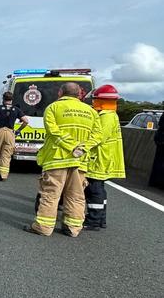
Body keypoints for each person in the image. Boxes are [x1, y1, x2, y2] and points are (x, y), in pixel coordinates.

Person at [24, 82, 102, 238]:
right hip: (80, 160)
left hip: (57, 158)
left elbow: (53, 131)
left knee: (51, 194)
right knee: (76, 196)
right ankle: (72, 228)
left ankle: (44, 227)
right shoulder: (91, 112)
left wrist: (71, 146)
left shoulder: (53, 108)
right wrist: (81, 148)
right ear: (79, 94)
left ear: (60, 92)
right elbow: (98, 136)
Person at [84, 85, 125, 231]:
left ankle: (93, 220)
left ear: (100, 100)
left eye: (95, 99)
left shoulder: (106, 116)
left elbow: (99, 137)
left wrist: (83, 147)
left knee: (94, 189)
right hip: (104, 156)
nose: (93, 102)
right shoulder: (110, 114)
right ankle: (100, 219)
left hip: (100, 157)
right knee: (99, 188)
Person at [0, 92, 28, 181]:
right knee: (6, 154)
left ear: (3, 99)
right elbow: (26, 121)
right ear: (12, 99)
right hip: (10, 132)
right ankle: (3, 175)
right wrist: (18, 130)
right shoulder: (16, 109)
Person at [149, 113, 164, 189]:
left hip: (160, 138)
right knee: (160, 163)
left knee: (158, 161)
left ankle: (154, 182)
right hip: (161, 139)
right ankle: (159, 182)